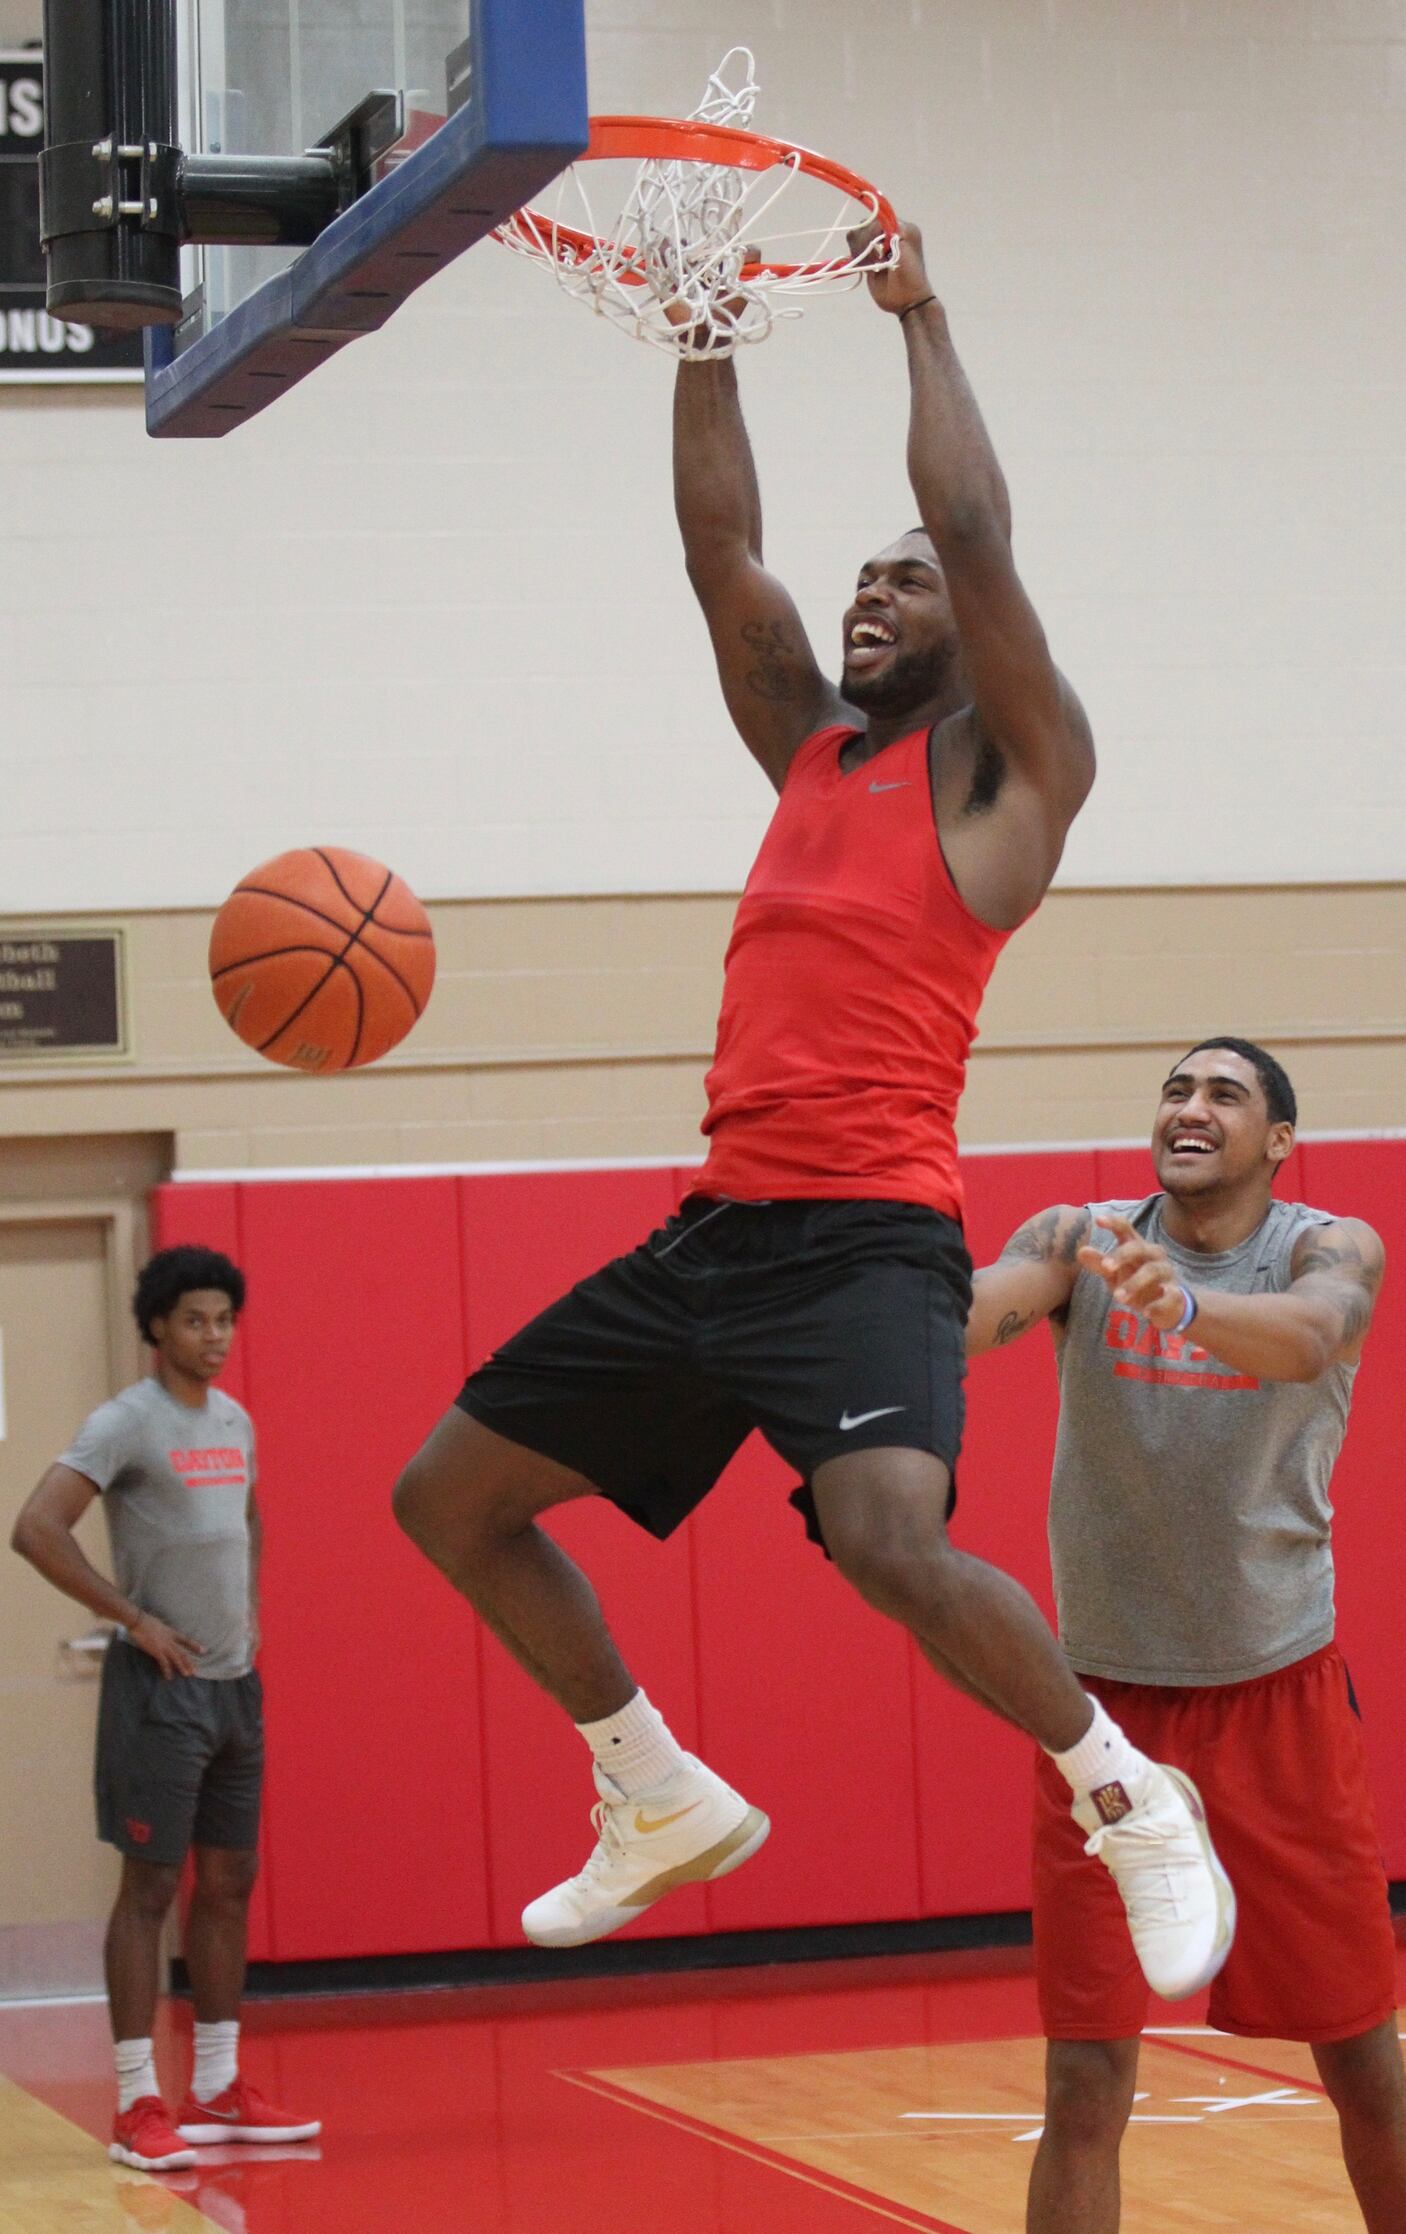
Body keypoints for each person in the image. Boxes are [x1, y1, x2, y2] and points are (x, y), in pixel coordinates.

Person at [393, 223, 1233, 2001]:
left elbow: (984, 530)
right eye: (869, 575)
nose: (877, 591)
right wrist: (706, 329)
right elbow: (721, 551)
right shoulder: (810, 754)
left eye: (908, 581)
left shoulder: (1015, 773)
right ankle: (653, 1785)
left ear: (979, 627)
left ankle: (1125, 1789)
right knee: (448, 1496)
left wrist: (920, 311)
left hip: (868, 1233)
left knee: (887, 1540)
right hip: (718, 1227)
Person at [966, 1036, 1406, 2234]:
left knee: (1358, 2054)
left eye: (1223, 1093)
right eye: (1176, 1090)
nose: (1190, 1107)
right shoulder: (1080, 1236)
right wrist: (884, 1296)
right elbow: (979, 1312)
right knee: (1083, 2073)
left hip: (1275, 1693)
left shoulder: (1327, 1246)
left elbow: (1310, 1336)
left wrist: (1181, 1301)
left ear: (1277, 1139)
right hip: (1101, 1725)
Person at [10, 1245, 319, 2174]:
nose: (213, 1335)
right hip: (161, 1693)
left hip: (236, 1687)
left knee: (227, 1885)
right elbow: (33, 1528)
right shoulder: (125, 1424)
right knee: (148, 1891)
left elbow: (248, 1519)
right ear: (155, 1327)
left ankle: (218, 2086)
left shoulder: (234, 1419)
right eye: (194, 1319)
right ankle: (137, 2101)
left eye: (225, 1318)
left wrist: (251, 1611)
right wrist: (132, 1617)